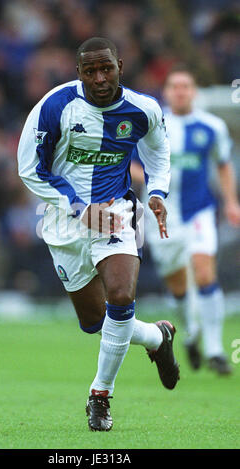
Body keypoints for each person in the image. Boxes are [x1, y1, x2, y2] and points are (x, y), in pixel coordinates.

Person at [17, 37, 180, 432]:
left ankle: (100, 395)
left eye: (106, 68)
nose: (99, 78)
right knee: (96, 322)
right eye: (90, 71)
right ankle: (158, 338)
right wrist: (78, 207)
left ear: (120, 65)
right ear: (79, 73)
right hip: (64, 223)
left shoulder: (143, 110)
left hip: (116, 214)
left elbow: (158, 154)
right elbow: (29, 168)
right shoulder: (55, 106)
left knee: (121, 298)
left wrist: (156, 193)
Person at [131, 64, 240, 375]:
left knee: (205, 274)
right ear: (166, 93)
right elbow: (128, 163)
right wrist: (154, 179)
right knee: (177, 285)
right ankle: (192, 334)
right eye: (174, 87)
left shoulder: (211, 127)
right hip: (161, 215)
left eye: (186, 87)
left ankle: (217, 350)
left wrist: (231, 202)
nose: (180, 92)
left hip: (199, 211)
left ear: (193, 92)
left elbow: (223, 165)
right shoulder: (152, 124)